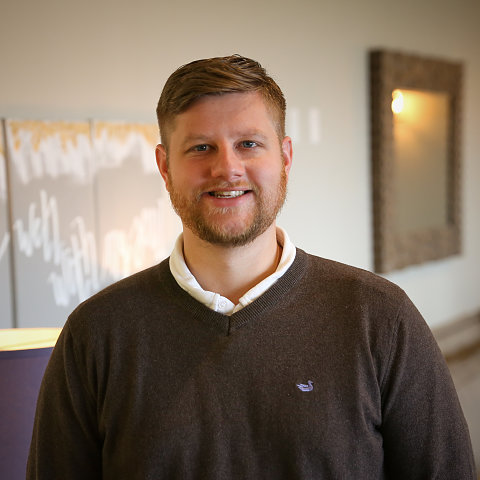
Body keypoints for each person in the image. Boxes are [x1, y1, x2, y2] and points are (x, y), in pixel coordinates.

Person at [27, 55, 476, 479]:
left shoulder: (379, 317)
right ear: (164, 167)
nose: (227, 168)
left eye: (248, 144)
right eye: (201, 147)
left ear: (285, 157)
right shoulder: (96, 334)